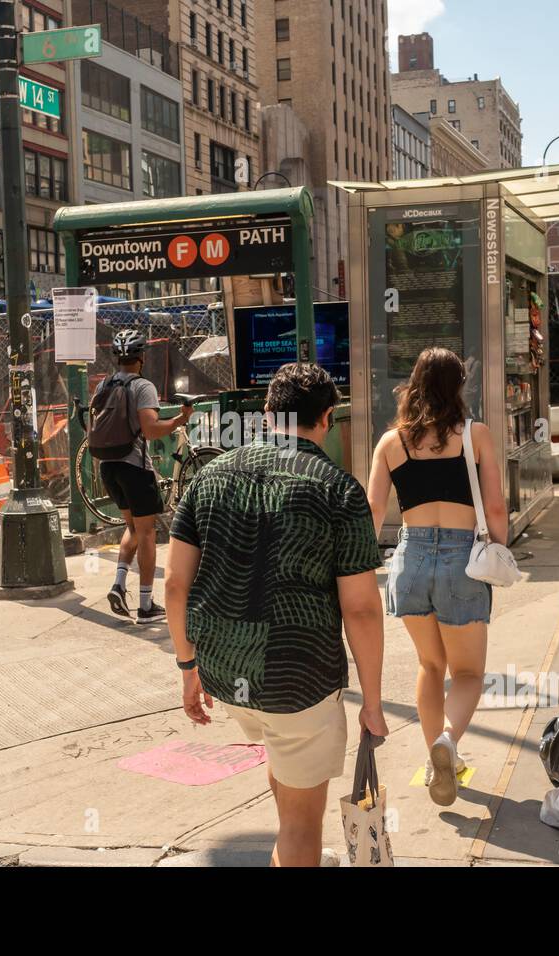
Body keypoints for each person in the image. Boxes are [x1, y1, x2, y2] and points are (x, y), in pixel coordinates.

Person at [165, 363, 387, 867]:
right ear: (327, 418)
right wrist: (371, 702)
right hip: (298, 678)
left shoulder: (209, 476)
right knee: (304, 822)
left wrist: (186, 668)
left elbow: (176, 584)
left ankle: (287, 852)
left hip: (225, 672)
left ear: (267, 414)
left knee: (280, 757)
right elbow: (362, 609)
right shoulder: (338, 490)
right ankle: (296, 848)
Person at [366, 347, 507, 807]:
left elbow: (373, 509)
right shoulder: (476, 435)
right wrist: (498, 551)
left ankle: (433, 761)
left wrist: (359, 569)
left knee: (431, 666)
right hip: (462, 559)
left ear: (415, 384)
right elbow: (497, 507)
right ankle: (447, 742)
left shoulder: (391, 443)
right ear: (457, 387)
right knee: (468, 672)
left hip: (409, 560)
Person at [96, 328, 192, 624]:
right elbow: (150, 429)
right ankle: (146, 604)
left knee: (133, 529)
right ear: (141, 358)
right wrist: (179, 420)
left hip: (107, 466)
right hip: (134, 468)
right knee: (148, 533)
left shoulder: (104, 384)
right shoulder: (143, 386)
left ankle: (118, 584)